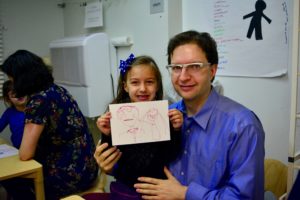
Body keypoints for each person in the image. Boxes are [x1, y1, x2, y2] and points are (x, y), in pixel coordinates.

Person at [132, 30, 265, 199]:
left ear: (213, 70)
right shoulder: (165, 116)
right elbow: (145, 165)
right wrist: (111, 165)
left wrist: (185, 194)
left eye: (194, 66)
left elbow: (244, 197)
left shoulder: (242, 126)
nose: (183, 77)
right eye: (176, 68)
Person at [0, 49, 98, 200]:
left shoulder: (38, 101)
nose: (11, 83)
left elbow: (25, 154)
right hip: (87, 166)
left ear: (21, 78)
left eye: (12, 79)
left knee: (11, 179)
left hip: (68, 175)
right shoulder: (58, 90)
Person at [93, 54, 183, 199]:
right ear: (125, 86)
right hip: (124, 189)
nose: (143, 88)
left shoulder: (164, 114)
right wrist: (106, 134)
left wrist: (176, 130)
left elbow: (171, 154)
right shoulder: (116, 114)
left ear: (157, 85)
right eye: (135, 82)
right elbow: (109, 158)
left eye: (149, 82)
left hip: (156, 191)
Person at [0, 80, 27, 148]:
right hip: (17, 150)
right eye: (14, 93)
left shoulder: (36, 110)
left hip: (37, 152)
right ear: (8, 99)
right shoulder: (9, 112)